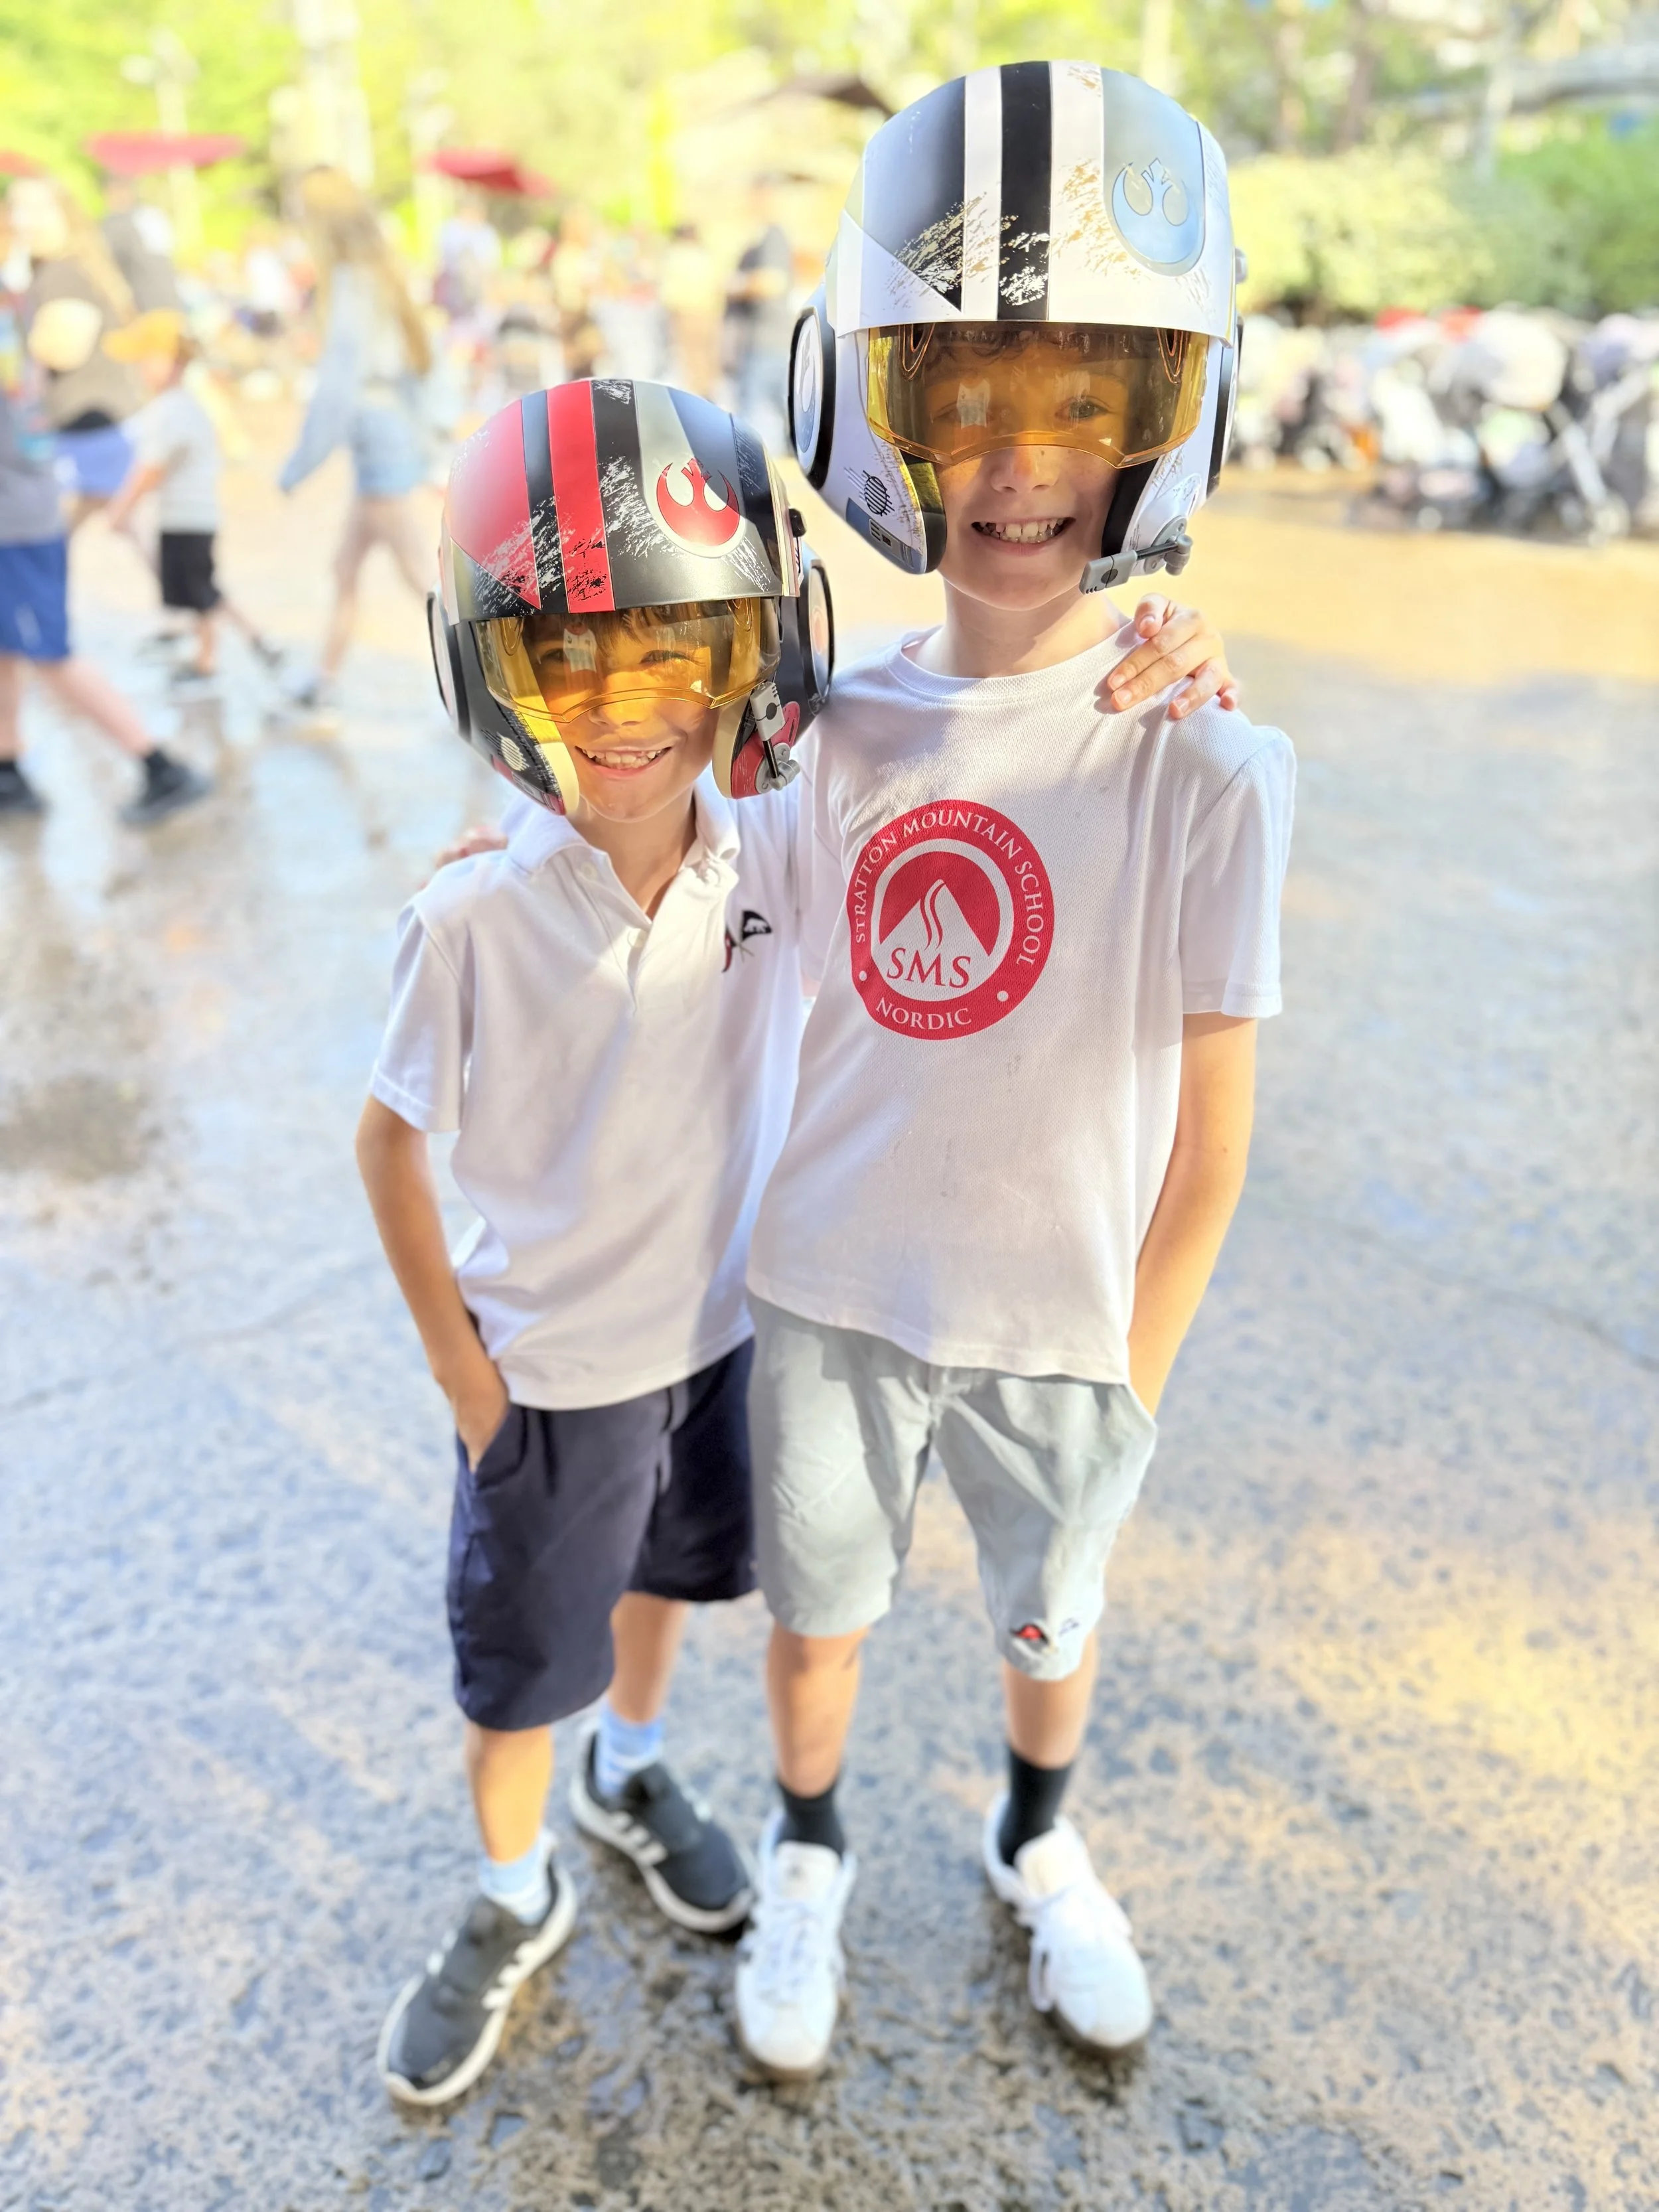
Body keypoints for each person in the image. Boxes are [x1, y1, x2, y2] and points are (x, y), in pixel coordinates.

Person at [730, 62, 1295, 2080]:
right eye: (961, 395)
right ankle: (808, 1852)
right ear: (881, 413)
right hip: (829, 1292)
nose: (1021, 458)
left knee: (1052, 1620)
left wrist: (1129, 1376)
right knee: (819, 1616)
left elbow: (1213, 1140)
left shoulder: (1207, 762)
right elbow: (677, 903)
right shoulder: (819, 731)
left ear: (1169, 415)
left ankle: (1036, 1836)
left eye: (1087, 398)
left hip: (1066, 1332)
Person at [356, 378, 837, 2107]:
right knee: (512, 1681)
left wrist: (1156, 645)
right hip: (548, 1378)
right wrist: (464, 1377)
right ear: (496, 671)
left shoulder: (772, 848)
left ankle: (626, 1772)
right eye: (567, 657)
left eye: (673, 652)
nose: (626, 705)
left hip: (715, 1341)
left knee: (663, 1584)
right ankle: (512, 1890)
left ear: (748, 651)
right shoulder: (473, 913)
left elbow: (965, 732)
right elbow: (388, 1144)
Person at [0, 304, 208, 824]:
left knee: (52, 657)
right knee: (7, 648)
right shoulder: (14, 333)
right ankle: (7, 766)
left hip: (18, 528)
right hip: (25, 516)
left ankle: (160, 766)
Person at [278, 168, 435, 718]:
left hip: (377, 437)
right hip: (383, 434)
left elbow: (338, 388)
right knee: (347, 566)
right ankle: (323, 678)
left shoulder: (351, 281)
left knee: (420, 576)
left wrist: (299, 465)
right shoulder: (373, 274)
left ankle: (497, 681)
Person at [100, 309, 279, 687]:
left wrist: (122, 507)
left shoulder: (173, 409)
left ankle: (209, 659)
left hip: (189, 518)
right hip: (186, 516)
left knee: (201, 594)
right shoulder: (175, 406)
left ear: (172, 362)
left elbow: (151, 469)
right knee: (200, 589)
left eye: (145, 359)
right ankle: (251, 640)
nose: (138, 369)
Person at [7, 175, 141, 526]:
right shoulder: (67, 266)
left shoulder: (62, 273)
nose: (24, 219)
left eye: (38, 208)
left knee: (48, 530)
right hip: (100, 419)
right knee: (120, 527)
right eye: (18, 207)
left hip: (88, 427)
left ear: (64, 213)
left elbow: (65, 349)